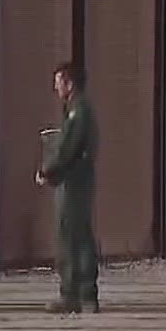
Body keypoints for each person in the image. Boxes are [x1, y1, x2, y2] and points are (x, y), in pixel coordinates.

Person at [36, 61, 99, 314]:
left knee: (70, 236)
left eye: (58, 82)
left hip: (73, 183)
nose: (56, 88)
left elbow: (66, 149)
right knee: (79, 234)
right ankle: (85, 295)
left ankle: (73, 293)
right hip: (78, 180)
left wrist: (46, 170)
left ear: (69, 83)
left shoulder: (78, 112)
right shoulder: (79, 110)